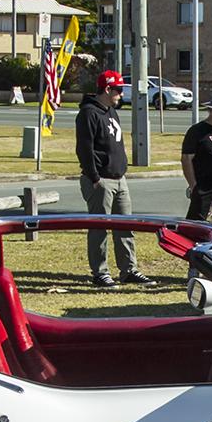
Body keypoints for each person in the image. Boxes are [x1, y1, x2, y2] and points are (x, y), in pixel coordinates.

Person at [75, 69, 151, 288]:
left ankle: (129, 270)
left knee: (125, 226)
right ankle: (100, 273)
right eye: (118, 90)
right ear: (107, 89)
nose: (121, 95)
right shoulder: (89, 113)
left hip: (120, 179)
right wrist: (95, 177)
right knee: (99, 228)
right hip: (101, 181)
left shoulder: (110, 111)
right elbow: (84, 148)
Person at [181, 101, 212, 221]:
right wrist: (193, 186)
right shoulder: (197, 131)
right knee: (198, 224)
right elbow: (186, 159)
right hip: (204, 189)